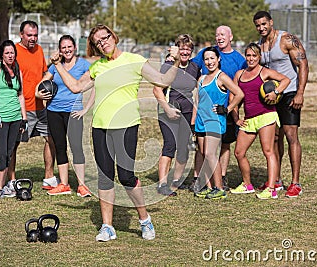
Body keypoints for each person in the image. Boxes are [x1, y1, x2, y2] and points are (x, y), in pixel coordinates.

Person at [49, 24, 181, 242]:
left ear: (114, 37)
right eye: (98, 42)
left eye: (105, 37)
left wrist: (175, 61)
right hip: (100, 127)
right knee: (105, 177)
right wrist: (57, 65)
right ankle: (107, 226)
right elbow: (75, 87)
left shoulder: (134, 60)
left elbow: (164, 81)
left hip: (127, 125)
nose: (103, 43)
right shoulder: (97, 67)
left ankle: (144, 219)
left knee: (127, 177)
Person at [253, 11, 309, 198]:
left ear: (271, 22)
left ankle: (296, 183)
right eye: (258, 25)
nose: (261, 28)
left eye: (264, 24)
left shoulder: (286, 39)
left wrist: (300, 93)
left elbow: (303, 65)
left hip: (289, 93)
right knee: (275, 138)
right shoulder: (261, 45)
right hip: (270, 97)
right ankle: (275, 180)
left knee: (291, 135)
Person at [191, 25, 247, 191]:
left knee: (215, 151)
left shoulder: (230, 67)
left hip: (217, 118)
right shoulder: (201, 77)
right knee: (204, 152)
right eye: (206, 59)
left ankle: (220, 185)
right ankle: (207, 186)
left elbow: (240, 92)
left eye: (223, 34)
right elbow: (197, 100)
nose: (209, 61)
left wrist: (228, 109)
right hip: (201, 120)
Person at [231, 43, 290, 199]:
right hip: (249, 119)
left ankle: (271, 188)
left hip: (266, 116)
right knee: (239, 152)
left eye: (254, 56)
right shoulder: (239, 74)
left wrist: (276, 92)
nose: (251, 59)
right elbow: (233, 97)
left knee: (268, 151)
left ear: (259, 57)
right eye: (248, 55)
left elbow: (285, 79)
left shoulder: (264, 72)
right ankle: (247, 184)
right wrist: (236, 118)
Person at [35, 35, 91, 197]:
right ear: (59, 50)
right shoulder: (54, 66)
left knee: (76, 148)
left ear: (74, 47)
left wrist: (85, 108)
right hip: (53, 111)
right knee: (60, 147)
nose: (66, 50)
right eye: (63, 47)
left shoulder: (83, 65)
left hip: (73, 112)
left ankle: (82, 185)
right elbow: (40, 85)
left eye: (69, 47)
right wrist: (39, 95)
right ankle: (64, 184)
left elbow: (94, 85)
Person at [7, 20, 58, 194]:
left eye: (35, 35)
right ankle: (12, 181)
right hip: (21, 108)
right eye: (29, 35)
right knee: (13, 145)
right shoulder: (13, 51)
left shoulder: (39, 50)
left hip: (40, 107)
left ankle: (49, 177)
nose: (33, 38)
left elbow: (44, 74)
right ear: (21, 34)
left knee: (51, 139)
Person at [153, 34, 200, 197]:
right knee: (170, 145)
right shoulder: (168, 66)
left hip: (186, 112)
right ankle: (162, 183)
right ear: (176, 50)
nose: (185, 52)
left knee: (184, 149)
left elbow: (200, 89)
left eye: (188, 49)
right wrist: (167, 109)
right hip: (168, 112)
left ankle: (176, 181)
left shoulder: (195, 67)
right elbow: (157, 90)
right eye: (182, 48)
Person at [0, 40, 28, 200]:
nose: (10, 55)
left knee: (10, 152)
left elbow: (20, 95)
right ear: (1, 54)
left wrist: (24, 118)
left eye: (12, 52)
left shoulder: (17, 70)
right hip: (0, 119)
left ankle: (8, 186)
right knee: (1, 152)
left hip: (16, 118)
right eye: (7, 53)